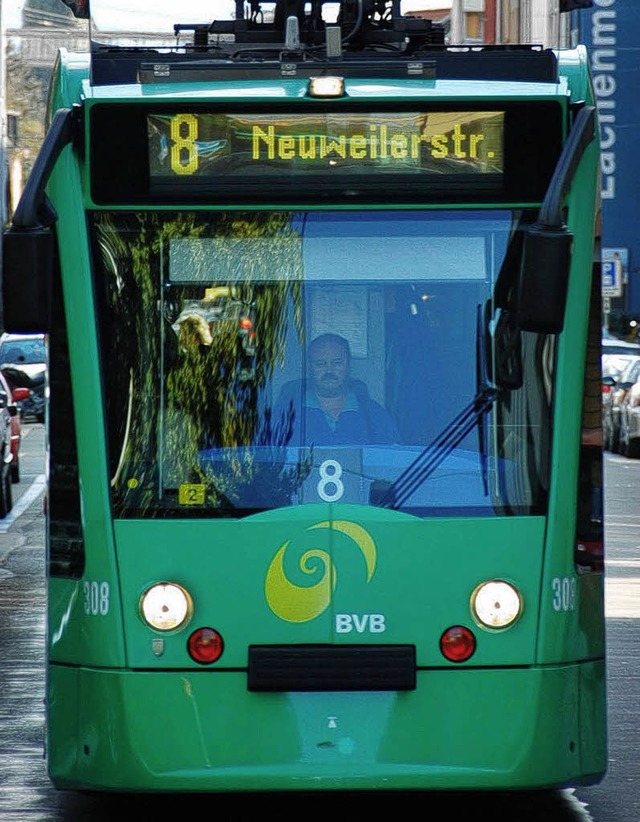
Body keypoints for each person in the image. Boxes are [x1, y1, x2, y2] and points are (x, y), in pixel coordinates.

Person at [277, 333, 400, 446]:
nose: (329, 371)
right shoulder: (284, 415)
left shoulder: (373, 414)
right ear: (309, 367)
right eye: (320, 364)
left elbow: (393, 461)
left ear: (348, 364)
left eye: (337, 363)